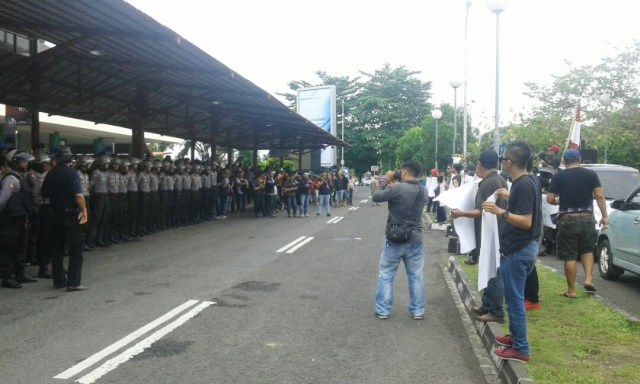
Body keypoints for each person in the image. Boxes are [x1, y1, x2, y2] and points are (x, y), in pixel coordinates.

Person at [481, 140, 541, 363]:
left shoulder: (523, 185)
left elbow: (526, 221)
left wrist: (499, 211)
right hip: (523, 248)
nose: (502, 162)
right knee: (514, 298)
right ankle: (515, 337)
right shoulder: (527, 181)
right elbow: (526, 207)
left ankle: (521, 348)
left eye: (503, 158)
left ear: (510, 162)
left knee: (514, 301)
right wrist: (509, 197)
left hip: (518, 250)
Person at [451, 149, 507, 323]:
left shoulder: (487, 183)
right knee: (489, 269)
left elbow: (481, 211)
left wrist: (461, 213)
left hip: (491, 234)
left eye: (477, 164)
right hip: (496, 231)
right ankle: (487, 305)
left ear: (480, 165)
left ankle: (496, 312)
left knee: (493, 272)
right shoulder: (499, 179)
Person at [546, 148, 606, 298]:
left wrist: (557, 200)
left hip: (568, 218)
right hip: (587, 216)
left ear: (564, 161)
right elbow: (599, 195)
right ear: (579, 160)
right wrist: (604, 215)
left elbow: (549, 199)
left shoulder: (558, 176)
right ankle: (588, 278)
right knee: (587, 250)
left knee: (570, 255)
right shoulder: (591, 174)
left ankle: (571, 290)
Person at [372, 160, 428, 320]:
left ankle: (383, 310)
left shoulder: (397, 188)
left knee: (386, 274)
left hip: (395, 237)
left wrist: (385, 179)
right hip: (416, 238)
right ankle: (417, 311)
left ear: (404, 172)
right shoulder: (423, 191)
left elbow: (376, 196)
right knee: (416, 276)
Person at [41, 148, 89, 291]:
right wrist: (84, 209)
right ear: (69, 160)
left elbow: (44, 193)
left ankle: (59, 280)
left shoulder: (50, 174)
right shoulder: (71, 173)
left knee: (57, 249)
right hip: (70, 214)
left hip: (54, 214)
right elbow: (78, 195)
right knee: (76, 249)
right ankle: (73, 282)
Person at [0, 150, 38, 288]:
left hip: (19, 218)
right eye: (23, 162)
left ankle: (20, 273)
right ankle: (8, 277)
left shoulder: (20, 177)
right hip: (10, 220)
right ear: (15, 163)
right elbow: (2, 200)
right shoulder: (11, 179)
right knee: (9, 248)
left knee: (20, 246)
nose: (26, 164)